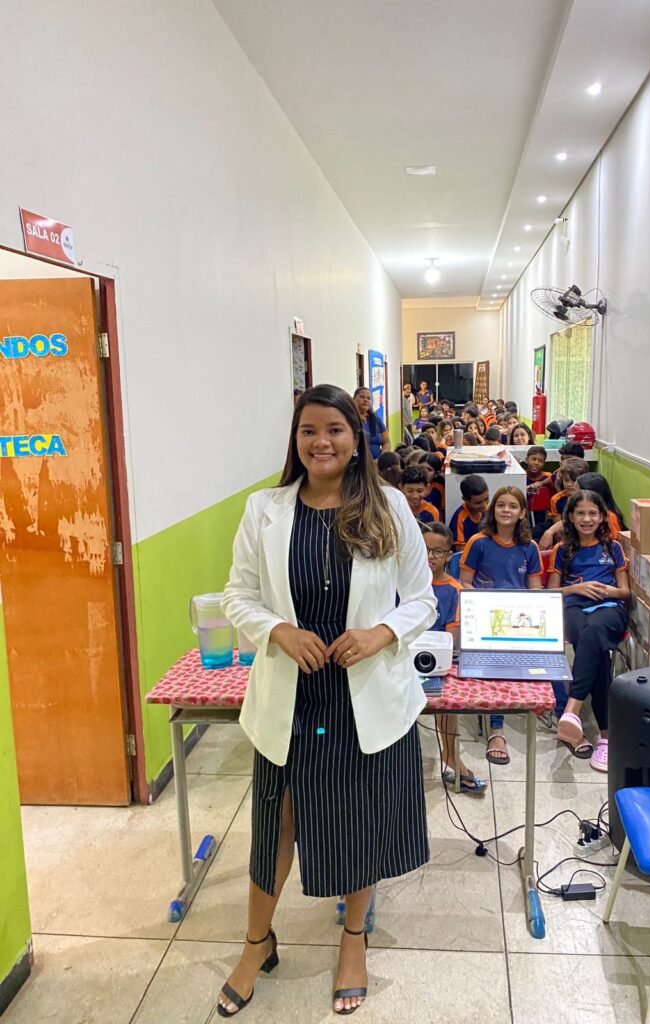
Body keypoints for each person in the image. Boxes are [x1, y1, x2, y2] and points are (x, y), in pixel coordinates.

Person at [220, 384, 436, 1017]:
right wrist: (278, 631)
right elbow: (238, 595)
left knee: (356, 821)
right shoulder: (264, 509)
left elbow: (423, 597)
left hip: (360, 695)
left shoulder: (388, 506)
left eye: (335, 430)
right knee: (275, 824)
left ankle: (352, 940)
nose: (322, 442)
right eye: (309, 430)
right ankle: (256, 943)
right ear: (296, 439)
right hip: (291, 697)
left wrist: (382, 632)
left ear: (355, 437)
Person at [458, 487, 543, 766]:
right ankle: (497, 730)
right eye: (501, 505)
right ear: (493, 510)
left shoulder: (529, 548)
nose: (506, 510)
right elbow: (465, 583)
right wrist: (483, 605)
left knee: (546, 657)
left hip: (518, 620)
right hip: (484, 616)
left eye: (513, 506)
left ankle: (563, 713)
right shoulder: (478, 542)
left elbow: (535, 590)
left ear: (522, 513)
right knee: (496, 658)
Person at [547, 490, 629, 771]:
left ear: (603, 516)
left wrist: (609, 591)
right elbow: (551, 591)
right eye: (580, 513)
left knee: (594, 632)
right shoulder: (563, 550)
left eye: (592, 513)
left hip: (609, 609)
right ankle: (607, 739)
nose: (586, 519)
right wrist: (576, 588)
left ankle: (572, 709)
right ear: (570, 516)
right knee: (596, 651)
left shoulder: (613, 548)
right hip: (574, 607)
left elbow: (625, 591)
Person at [422, 522, 487, 794]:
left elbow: (451, 638)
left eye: (438, 551)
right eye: (425, 550)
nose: (430, 557)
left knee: (447, 698)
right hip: (398, 659)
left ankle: (450, 755)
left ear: (449, 555)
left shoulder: (454, 589)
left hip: (436, 661)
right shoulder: (399, 584)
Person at [449, 474, 489, 552]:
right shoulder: (460, 517)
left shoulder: (489, 510)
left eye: (486, 499)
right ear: (465, 499)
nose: (484, 505)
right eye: (478, 503)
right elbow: (460, 550)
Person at [525, 444, 555, 536]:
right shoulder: (521, 476)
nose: (536, 463)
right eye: (533, 459)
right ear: (526, 460)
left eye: (540, 461)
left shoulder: (548, 477)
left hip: (544, 516)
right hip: (525, 515)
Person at [353, 387, 390, 460]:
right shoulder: (350, 420)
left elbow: (387, 442)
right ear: (353, 399)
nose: (365, 400)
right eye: (362, 397)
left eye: (368, 398)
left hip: (378, 463)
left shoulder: (376, 419)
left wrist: (381, 459)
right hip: (359, 464)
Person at [548, 457, 590, 522]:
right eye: (566, 480)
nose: (569, 484)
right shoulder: (556, 499)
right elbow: (558, 526)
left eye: (574, 480)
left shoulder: (592, 498)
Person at [421, 452, 445, 519]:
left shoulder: (439, 487)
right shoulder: (411, 485)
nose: (424, 472)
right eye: (421, 468)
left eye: (429, 469)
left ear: (436, 473)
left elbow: (441, 512)